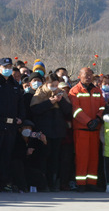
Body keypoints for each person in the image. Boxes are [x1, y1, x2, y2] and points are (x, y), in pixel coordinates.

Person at [30, 73, 73, 191]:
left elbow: (68, 110)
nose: (54, 87)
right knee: (44, 157)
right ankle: (43, 183)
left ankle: (53, 182)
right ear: (46, 83)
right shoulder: (40, 92)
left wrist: (59, 100)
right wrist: (50, 102)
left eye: (56, 85)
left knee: (55, 158)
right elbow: (35, 109)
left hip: (58, 130)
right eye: (51, 85)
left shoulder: (61, 92)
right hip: (44, 130)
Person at [69, 67, 106, 191]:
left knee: (93, 157)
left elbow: (102, 106)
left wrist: (98, 119)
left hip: (95, 129)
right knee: (82, 157)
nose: (89, 77)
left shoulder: (97, 90)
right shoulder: (74, 91)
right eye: (86, 74)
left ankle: (91, 183)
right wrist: (88, 121)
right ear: (79, 75)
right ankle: (81, 184)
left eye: (90, 74)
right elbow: (76, 110)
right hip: (82, 130)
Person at [0, 57, 25, 192]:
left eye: (9, 66)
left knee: (7, 155)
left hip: (11, 127)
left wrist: (21, 117)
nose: (7, 69)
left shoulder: (14, 84)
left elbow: (20, 103)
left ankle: (4, 182)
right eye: (5, 66)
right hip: (0, 124)